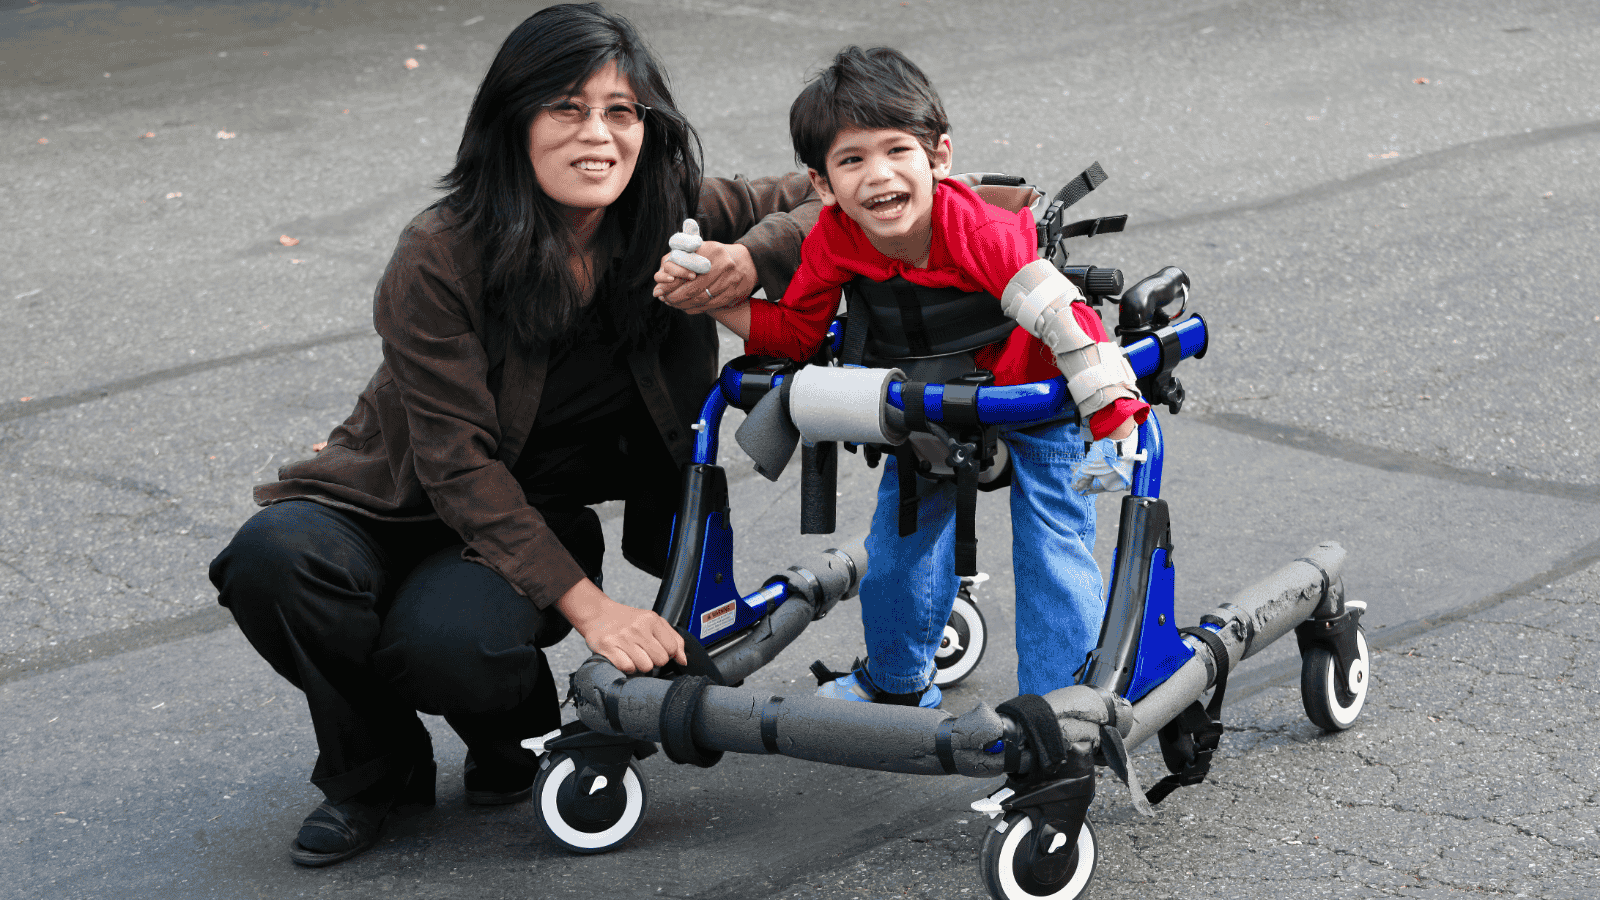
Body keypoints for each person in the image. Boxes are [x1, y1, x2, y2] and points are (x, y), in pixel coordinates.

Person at [208, 4, 817, 867]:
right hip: (395, 500)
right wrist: (594, 610)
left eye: (620, 111)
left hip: (531, 517)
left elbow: (816, 193)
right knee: (272, 559)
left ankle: (513, 736)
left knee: (451, 644)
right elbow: (455, 465)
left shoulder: (668, 215)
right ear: (513, 120)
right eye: (565, 108)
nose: (597, 135)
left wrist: (751, 261)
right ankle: (371, 772)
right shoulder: (440, 253)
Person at [655, 46, 1148, 707]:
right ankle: (897, 680)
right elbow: (795, 337)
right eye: (852, 160)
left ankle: (1057, 719)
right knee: (894, 557)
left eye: (896, 151)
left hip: (1036, 406)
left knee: (1053, 558)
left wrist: (1116, 416)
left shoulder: (977, 229)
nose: (877, 176)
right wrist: (714, 297)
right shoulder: (833, 237)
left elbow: (1066, 319)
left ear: (938, 158)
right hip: (927, 407)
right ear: (824, 184)